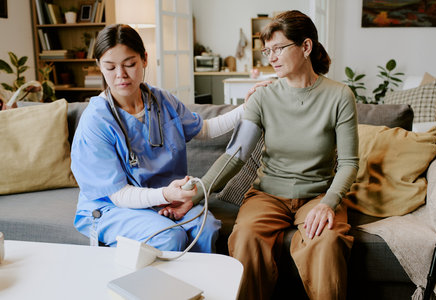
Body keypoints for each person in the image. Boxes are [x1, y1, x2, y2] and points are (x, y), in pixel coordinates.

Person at [191, 10, 359, 300]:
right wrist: (196, 193)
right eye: (267, 50)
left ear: (306, 47)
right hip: (267, 196)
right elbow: (237, 154)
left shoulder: (340, 96)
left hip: (318, 195)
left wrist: (328, 203)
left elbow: (348, 163)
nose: (271, 57)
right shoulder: (262, 96)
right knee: (245, 237)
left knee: (327, 242)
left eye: (278, 48)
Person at [70, 24, 264, 251]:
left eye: (130, 64)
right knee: (169, 237)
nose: (120, 75)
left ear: (144, 59)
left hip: (165, 199)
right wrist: (165, 193)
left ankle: (201, 286)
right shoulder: (96, 120)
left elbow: (204, 130)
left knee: (207, 228)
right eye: (110, 67)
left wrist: (246, 107)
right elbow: (118, 195)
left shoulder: (162, 100)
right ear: (99, 67)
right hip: (114, 206)